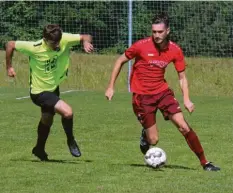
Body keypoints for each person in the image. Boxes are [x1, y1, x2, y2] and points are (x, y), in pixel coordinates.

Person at [105, 13, 220, 171]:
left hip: (162, 92)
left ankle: (205, 163)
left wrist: (186, 99)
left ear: (168, 31)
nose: (156, 35)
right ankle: (146, 134)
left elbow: (182, 77)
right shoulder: (141, 46)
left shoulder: (175, 50)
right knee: (154, 140)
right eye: (154, 32)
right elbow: (120, 60)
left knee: (184, 126)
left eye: (160, 32)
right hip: (142, 96)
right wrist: (111, 86)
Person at [5, 24, 93, 161]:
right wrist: (9, 67)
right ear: (45, 39)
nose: (57, 45)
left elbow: (85, 36)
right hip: (39, 92)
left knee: (47, 120)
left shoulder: (64, 39)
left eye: (58, 41)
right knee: (68, 112)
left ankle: (39, 149)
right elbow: (10, 44)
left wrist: (86, 42)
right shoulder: (34, 47)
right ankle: (71, 140)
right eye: (53, 43)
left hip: (53, 89)